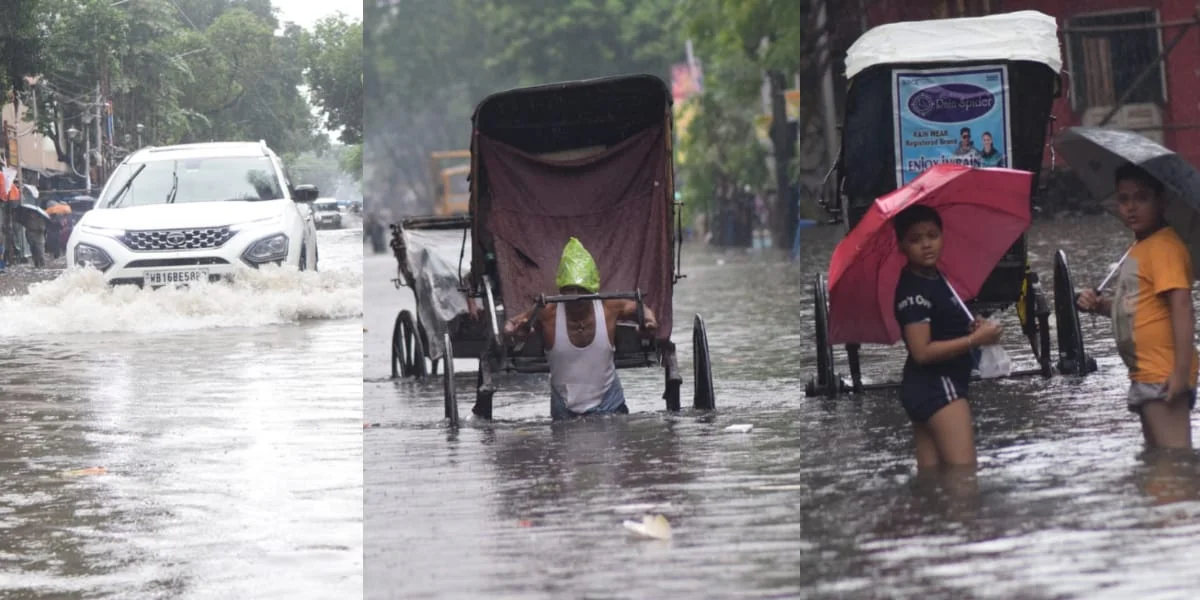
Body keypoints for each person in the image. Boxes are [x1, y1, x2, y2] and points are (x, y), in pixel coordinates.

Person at [1077, 163, 1198, 449]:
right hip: (1144, 372)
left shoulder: (1165, 247)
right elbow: (1134, 309)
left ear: (1162, 200)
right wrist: (1099, 305)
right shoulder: (1139, 247)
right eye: (1124, 199)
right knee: (1158, 466)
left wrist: (1180, 373)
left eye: (1141, 198)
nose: (1131, 207)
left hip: (1164, 373)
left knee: (1174, 462)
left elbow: (1183, 308)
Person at [893, 205, 1003, 468]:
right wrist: (973, 341)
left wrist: (972, 328)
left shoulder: (936, 278)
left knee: (934, 483)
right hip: (938, 386)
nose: (926, 245)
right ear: (902, 246)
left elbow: (943, 326)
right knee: (963, 476)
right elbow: (922, 351)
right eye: (915, 239)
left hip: (924, 388)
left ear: (942, 236)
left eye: (932, 235)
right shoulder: (914, 291)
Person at [503, 237, 658, 420]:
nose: (575, 298)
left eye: (581, 291)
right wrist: (515, 332)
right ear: (561, 290)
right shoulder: (548, 312)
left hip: (610, 404)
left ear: (592, 291)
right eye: (569, 291)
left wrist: (649, 322)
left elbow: (642, 310)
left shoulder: (609, 307)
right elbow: (512, 324)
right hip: (564, 410)